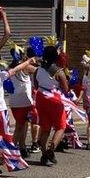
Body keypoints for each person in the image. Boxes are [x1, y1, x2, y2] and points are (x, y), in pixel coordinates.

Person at [0, 53, 35, 175]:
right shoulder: (0, 77)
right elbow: (16, 69)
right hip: (0, 112)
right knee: (2, 138)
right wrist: (28, 61)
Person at [32, 36, 69, 166]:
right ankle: (51, 150)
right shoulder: (59, 72)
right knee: (61, 126)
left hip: (40, 97)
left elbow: (35, 85)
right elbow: (66, 89)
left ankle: (43, 155)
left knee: (45, 127)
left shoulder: (38, 69)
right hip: (53, 98)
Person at [6, 41, 40, 159]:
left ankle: (22, 147)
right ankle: (11, 151)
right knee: (20, 127)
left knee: (23, 124)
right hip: (24, 102)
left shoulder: (8, 68)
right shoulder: (27, 67)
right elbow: (41, 72)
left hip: (14, 102)